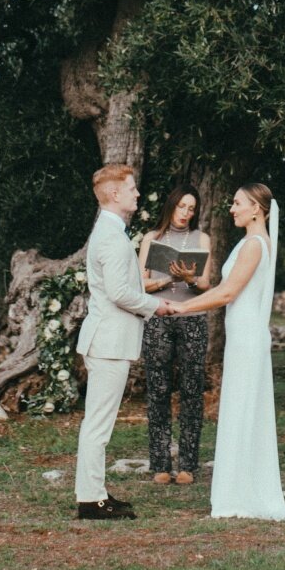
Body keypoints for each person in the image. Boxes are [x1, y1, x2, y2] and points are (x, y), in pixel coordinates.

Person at [169, 182, 285, 522]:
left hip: (247, 339)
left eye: (237, 203)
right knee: (241, 409)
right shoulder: (250, 243)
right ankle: (238, 490)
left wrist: (181, 308)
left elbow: (227, 293)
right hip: (242, 337)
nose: (231, 209)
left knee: (244, 409)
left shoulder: (254, 246)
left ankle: (241, 494)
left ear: (256, 209)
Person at [73, 162, 174, 521]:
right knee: (98, 425)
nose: (137, 193)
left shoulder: (110, 231)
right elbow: (118, 293)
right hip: (108, 342)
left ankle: (94, 494)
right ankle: (91, 500)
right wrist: (156, 306)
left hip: (108, 341)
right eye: (131, 188)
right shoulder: (111, 236)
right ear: (114, 194)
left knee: (98, 423)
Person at [137, 187, 213, 485]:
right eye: (181, 206)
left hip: (192, 318)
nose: (185, 213)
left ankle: (188, 465)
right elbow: (140, 285)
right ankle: (160, 464)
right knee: (158, 389)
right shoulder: (151, 238)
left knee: (192, 390)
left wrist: (189, 278)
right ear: (171, 206)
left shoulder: (201, 238)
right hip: (158, 318)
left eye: (191, 208)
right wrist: (167, 279)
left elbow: (206, 284)